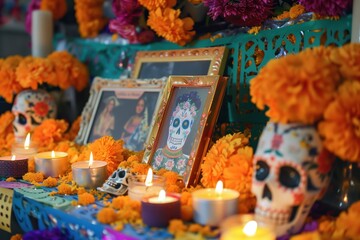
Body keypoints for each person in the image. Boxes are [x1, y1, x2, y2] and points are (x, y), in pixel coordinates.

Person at [152, 91, 201, 175]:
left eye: (185, 125)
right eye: (176, 123)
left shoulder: (187, 162)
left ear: (189, 129)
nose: (178, 131)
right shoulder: (154, 154)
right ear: (171, 123)